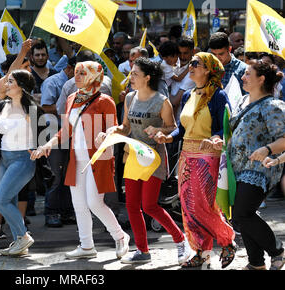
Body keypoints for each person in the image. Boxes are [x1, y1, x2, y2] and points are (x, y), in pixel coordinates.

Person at [31, 61, 130, 260]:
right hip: (76, 158)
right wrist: (47, 144)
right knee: (79, 203)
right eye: (76, 72)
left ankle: (120, 236)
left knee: (94, 202)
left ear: (94, 76)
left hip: (99, 158)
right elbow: (66, 130)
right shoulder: (71, 98)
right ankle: (86, 245)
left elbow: (116, 128)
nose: (77, 77)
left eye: (82, 73)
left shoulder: (105, 100)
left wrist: (106, 133)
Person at [104, 57, 190, 264]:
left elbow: (172, 127)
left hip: (154, 157)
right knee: (132, 206)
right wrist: (111, 131)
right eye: (131, 73)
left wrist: (159, 130)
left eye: (135, 74)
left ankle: (181, 241)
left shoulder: (162, 100)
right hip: (133, 155)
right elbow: (125, 127)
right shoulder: (129, 98)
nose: (130, 77)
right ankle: (142, 251)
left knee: (150, 205)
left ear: (147, 78)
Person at [155, 52, 237, 269]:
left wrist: (216, 138)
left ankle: (227, 240)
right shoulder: (187, 95)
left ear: (208, 69)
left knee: (203, 206)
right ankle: (201, 253)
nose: (189, 67)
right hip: (186, 156)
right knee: (188, 207)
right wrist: (168, 137)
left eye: (195, 63)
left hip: (207, 157)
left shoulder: (218, 96)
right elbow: (181, 129)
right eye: (189, 63)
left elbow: (223, 126)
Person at [226, 61, 285, 270]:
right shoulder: (242, 101)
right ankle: (256, 263)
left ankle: (277, 249)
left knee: (242, 213)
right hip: (237, 167)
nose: (243, 77)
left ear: (261, 79)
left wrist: (267, 149)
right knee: (242, 216)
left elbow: (284, 139)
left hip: (261, 168)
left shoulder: (273, 106)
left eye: (248, 74)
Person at [0, 69, 46, 256]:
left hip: (23, 158)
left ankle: (23, 236)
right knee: (8, 199)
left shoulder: (33, 109)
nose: (6, 84)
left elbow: (44, 138)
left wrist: (39, 150)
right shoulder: (2, 105)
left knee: (0, 200)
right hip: (3, 157)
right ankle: (19, 244)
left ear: (20, 86)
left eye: (10, 81)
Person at [40, 56, 77, 227]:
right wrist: (70, 105)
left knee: (70, 176)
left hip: (73, 134)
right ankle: (51, 212)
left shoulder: (80, 83)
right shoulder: (52, 82)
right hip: (53, 133)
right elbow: (46, 107)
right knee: (55, 175)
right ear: (69, 68)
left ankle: (68, 211)